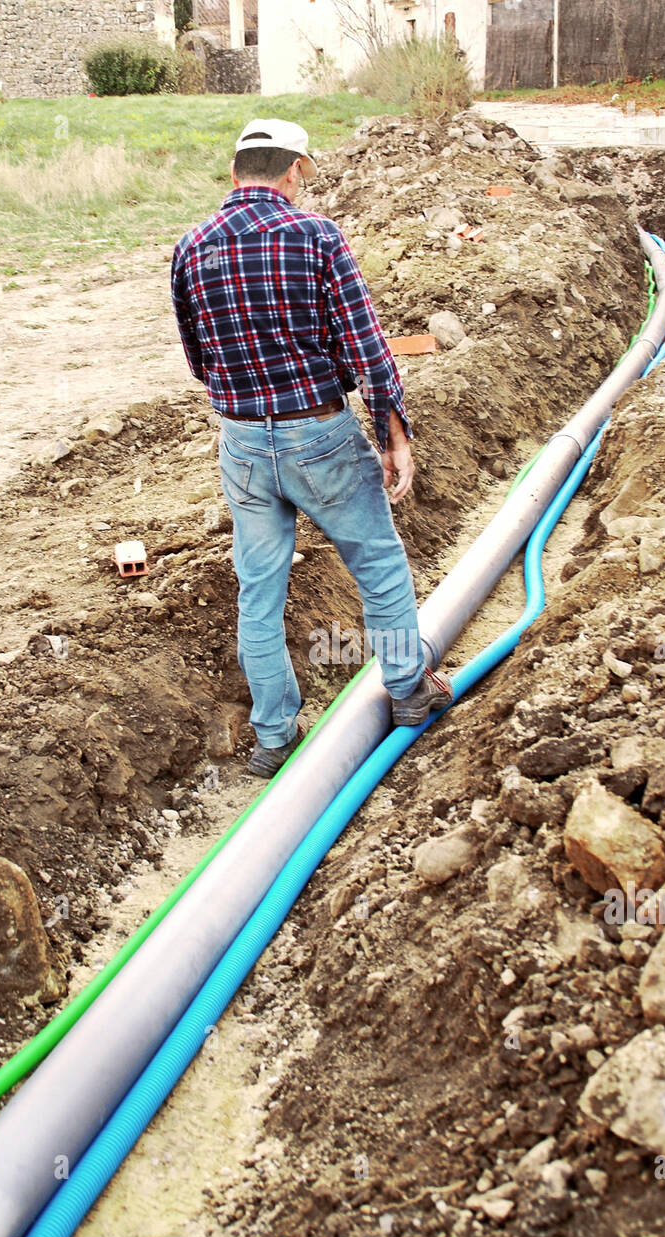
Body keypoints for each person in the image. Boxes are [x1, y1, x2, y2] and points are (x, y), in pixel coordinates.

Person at [171, 118, 453, 778]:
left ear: (234, 171)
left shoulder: (191, 248)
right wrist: (393, 434)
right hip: (318, 434)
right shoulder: (314, 236)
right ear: (294, 169)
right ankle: (409, 690)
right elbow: (368, 352)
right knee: (378, 564)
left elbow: (197, 361)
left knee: (258, 593)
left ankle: (273, 738)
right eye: (304, 172)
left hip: (241, 443)